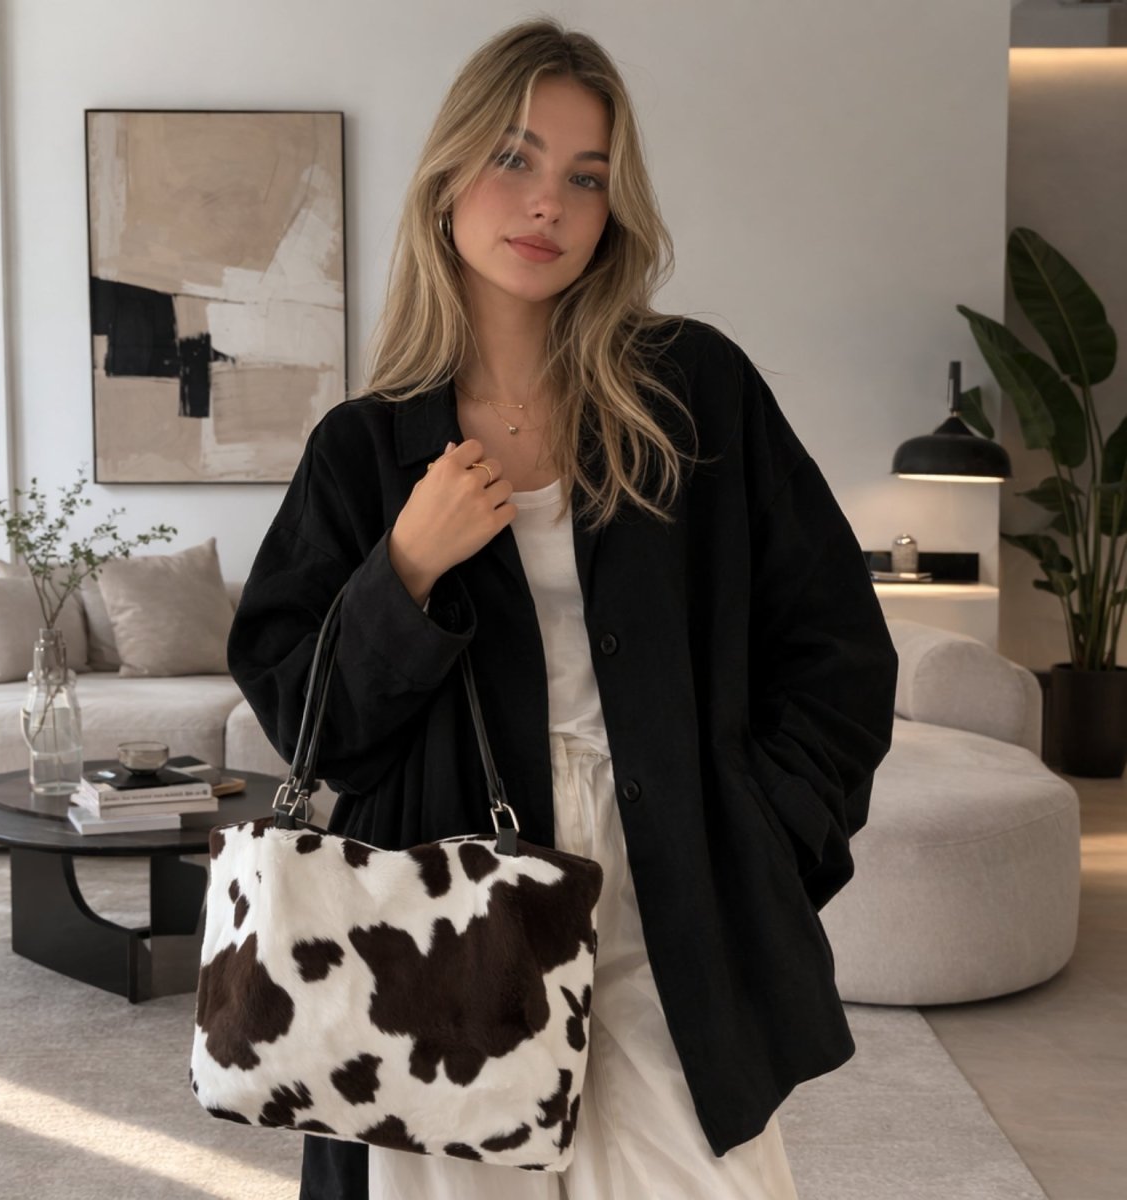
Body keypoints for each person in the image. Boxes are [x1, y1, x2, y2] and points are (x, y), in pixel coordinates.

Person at [227, 17, 898, 1200]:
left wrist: (769, 833)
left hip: (672, 882)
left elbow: (838, 648)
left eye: (585, 178)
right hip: (442, 920)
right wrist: (406, 571)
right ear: (447, 180)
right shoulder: (368, 449)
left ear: (611, 210)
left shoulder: (693, 396)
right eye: (516, 159)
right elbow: (304, 713)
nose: (548, 203)